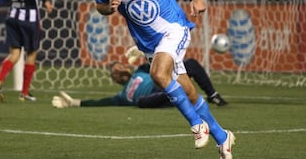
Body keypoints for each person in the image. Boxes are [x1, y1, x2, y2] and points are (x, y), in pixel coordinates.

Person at [93, 0, 235, 159]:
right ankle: (222, 137)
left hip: (174, 28)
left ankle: (197, 126)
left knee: (158, 74)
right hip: (149, 45)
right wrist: (110, 7)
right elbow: (99, 5)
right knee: (188, 92)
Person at [52, 56, 227, 108]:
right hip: (151, 99)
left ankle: (212, 94)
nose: (120, 70)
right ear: (115, 79)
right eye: (115, 71)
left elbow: (156, 62)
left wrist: (137, 55)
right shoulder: (120, 96)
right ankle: (176, 93)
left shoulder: (139, 71)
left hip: (159, 84)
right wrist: (75, 103)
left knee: (190, 63)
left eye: (120, 66)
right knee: (141, 102)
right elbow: (100, 102)